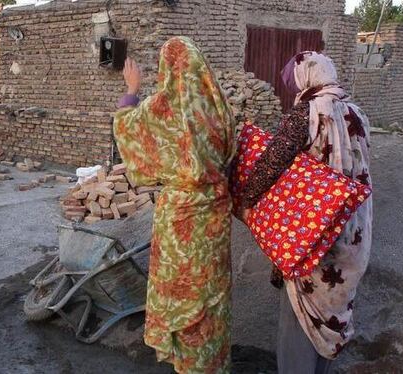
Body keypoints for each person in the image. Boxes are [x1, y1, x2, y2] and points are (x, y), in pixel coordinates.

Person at [239, 51, 373, 374]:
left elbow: (271, 164)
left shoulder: (306, 115)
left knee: (301, 317)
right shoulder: (358, 114)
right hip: (353, 232)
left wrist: (245, 200)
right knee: (334, 310)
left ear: (307, 78)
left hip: (316, 234)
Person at [114, 37, 236, 373]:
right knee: (210, 296)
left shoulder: (163, 110)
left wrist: (132, 88)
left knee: (181, 294)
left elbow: (127, 129)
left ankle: (185, 362)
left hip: (179, 218)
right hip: (213, 216)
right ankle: (212, 363)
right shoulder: (218, 109)